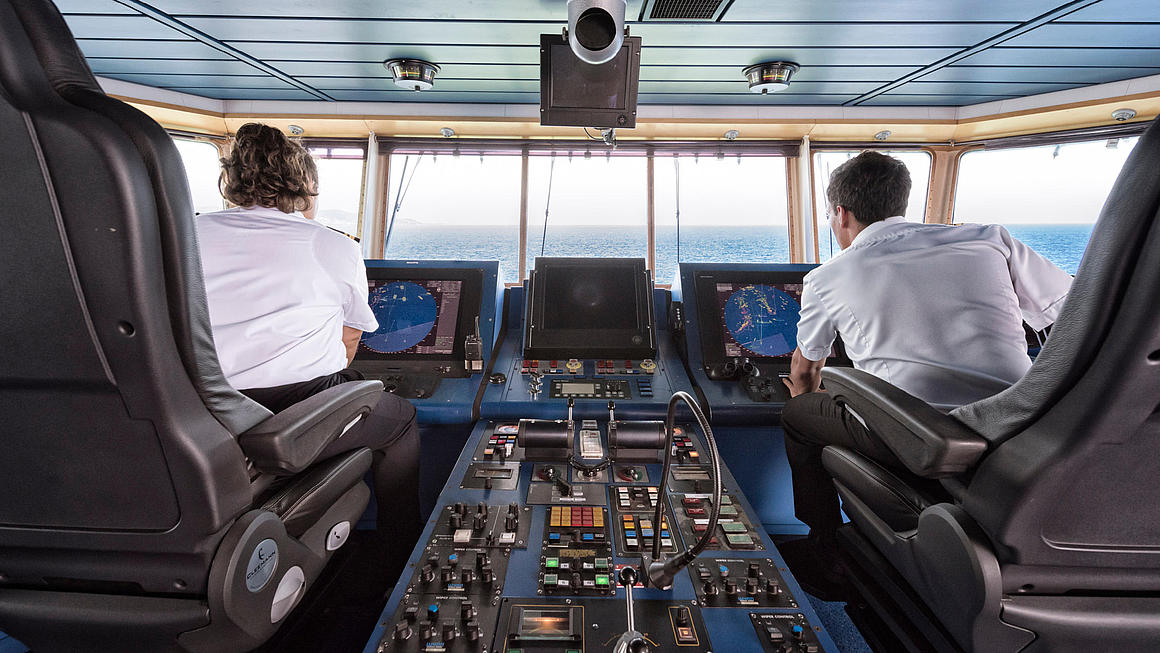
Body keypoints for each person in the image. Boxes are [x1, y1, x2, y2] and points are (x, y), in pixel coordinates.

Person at [778, 151, 1073, 598]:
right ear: (901, 202)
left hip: (914, 433)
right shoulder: (990, 239)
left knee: (798, 417)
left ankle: (824, 544)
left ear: (840, 213)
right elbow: (1074, 317)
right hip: (1016, 424)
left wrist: (805, 395)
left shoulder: (827, 277)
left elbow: (806, 367)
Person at [195, 123, 420, 579]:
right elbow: (351, 338)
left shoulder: (185, 236)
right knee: (400, 424)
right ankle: (400, 555)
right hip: (296, 406)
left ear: (231, 180)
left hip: (199, 411)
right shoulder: (330, 244)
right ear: (305, 185)